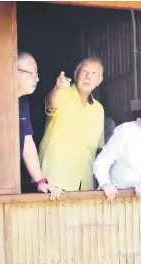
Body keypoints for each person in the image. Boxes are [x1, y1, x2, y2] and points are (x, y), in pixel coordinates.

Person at [39, 56, 105, 191]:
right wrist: (57, 88)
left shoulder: (98, 109)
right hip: (55, 179)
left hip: (84, 182)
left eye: (94, 73)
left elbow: (98, 149)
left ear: (99, 80)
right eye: (84, 71)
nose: (88, 76)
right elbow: (51, 102)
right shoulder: (61, 93)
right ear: (76, 74)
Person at [17, 52, 63, 200]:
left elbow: (27, 142)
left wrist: (40, 181)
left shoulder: (22, 102)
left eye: (37, 73)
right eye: (32, 73)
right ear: (14, 71)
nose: (37, 78)